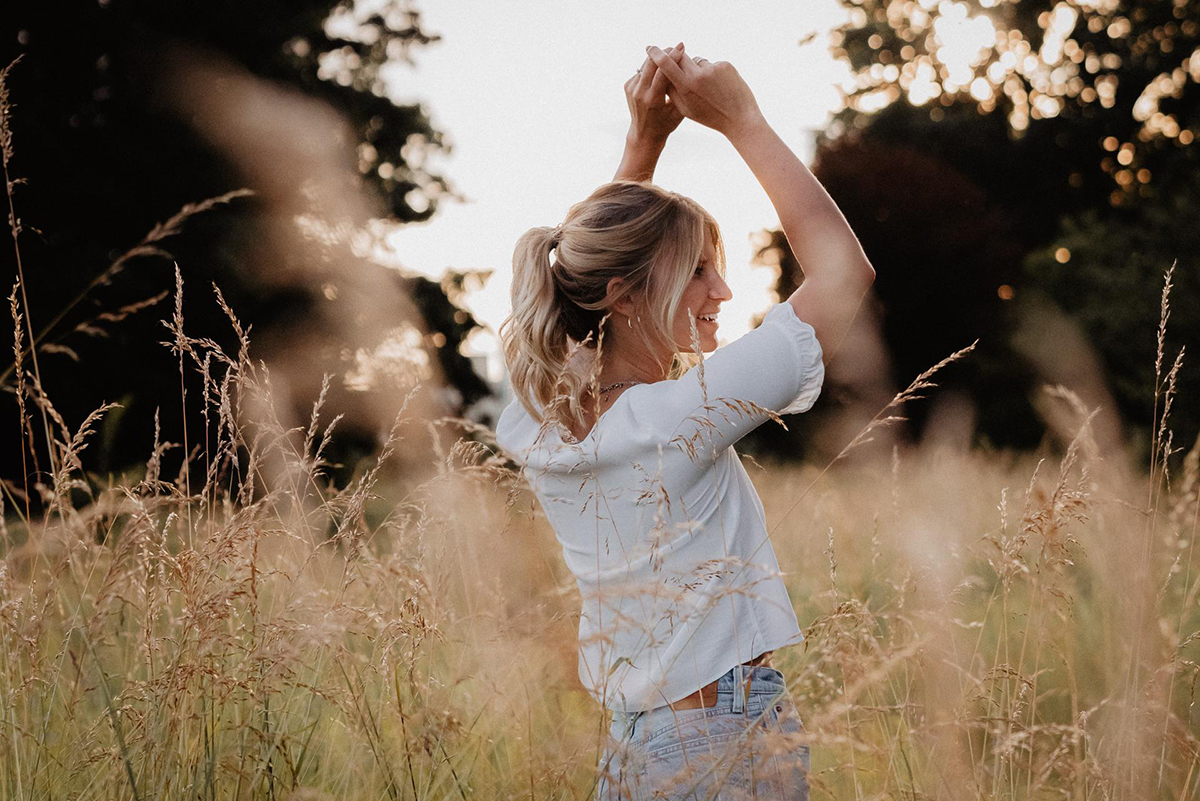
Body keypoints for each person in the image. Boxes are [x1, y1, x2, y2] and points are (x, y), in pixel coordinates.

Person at [494, 40, 875, 800]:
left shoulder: (530, 424)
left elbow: (587, 281)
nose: (723, 290)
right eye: (697, 268)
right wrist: (743, 121)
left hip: (636, 750)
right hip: (723, 742)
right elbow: (844, 272)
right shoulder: (680, 417)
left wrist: (644, 145)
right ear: (625, 297)